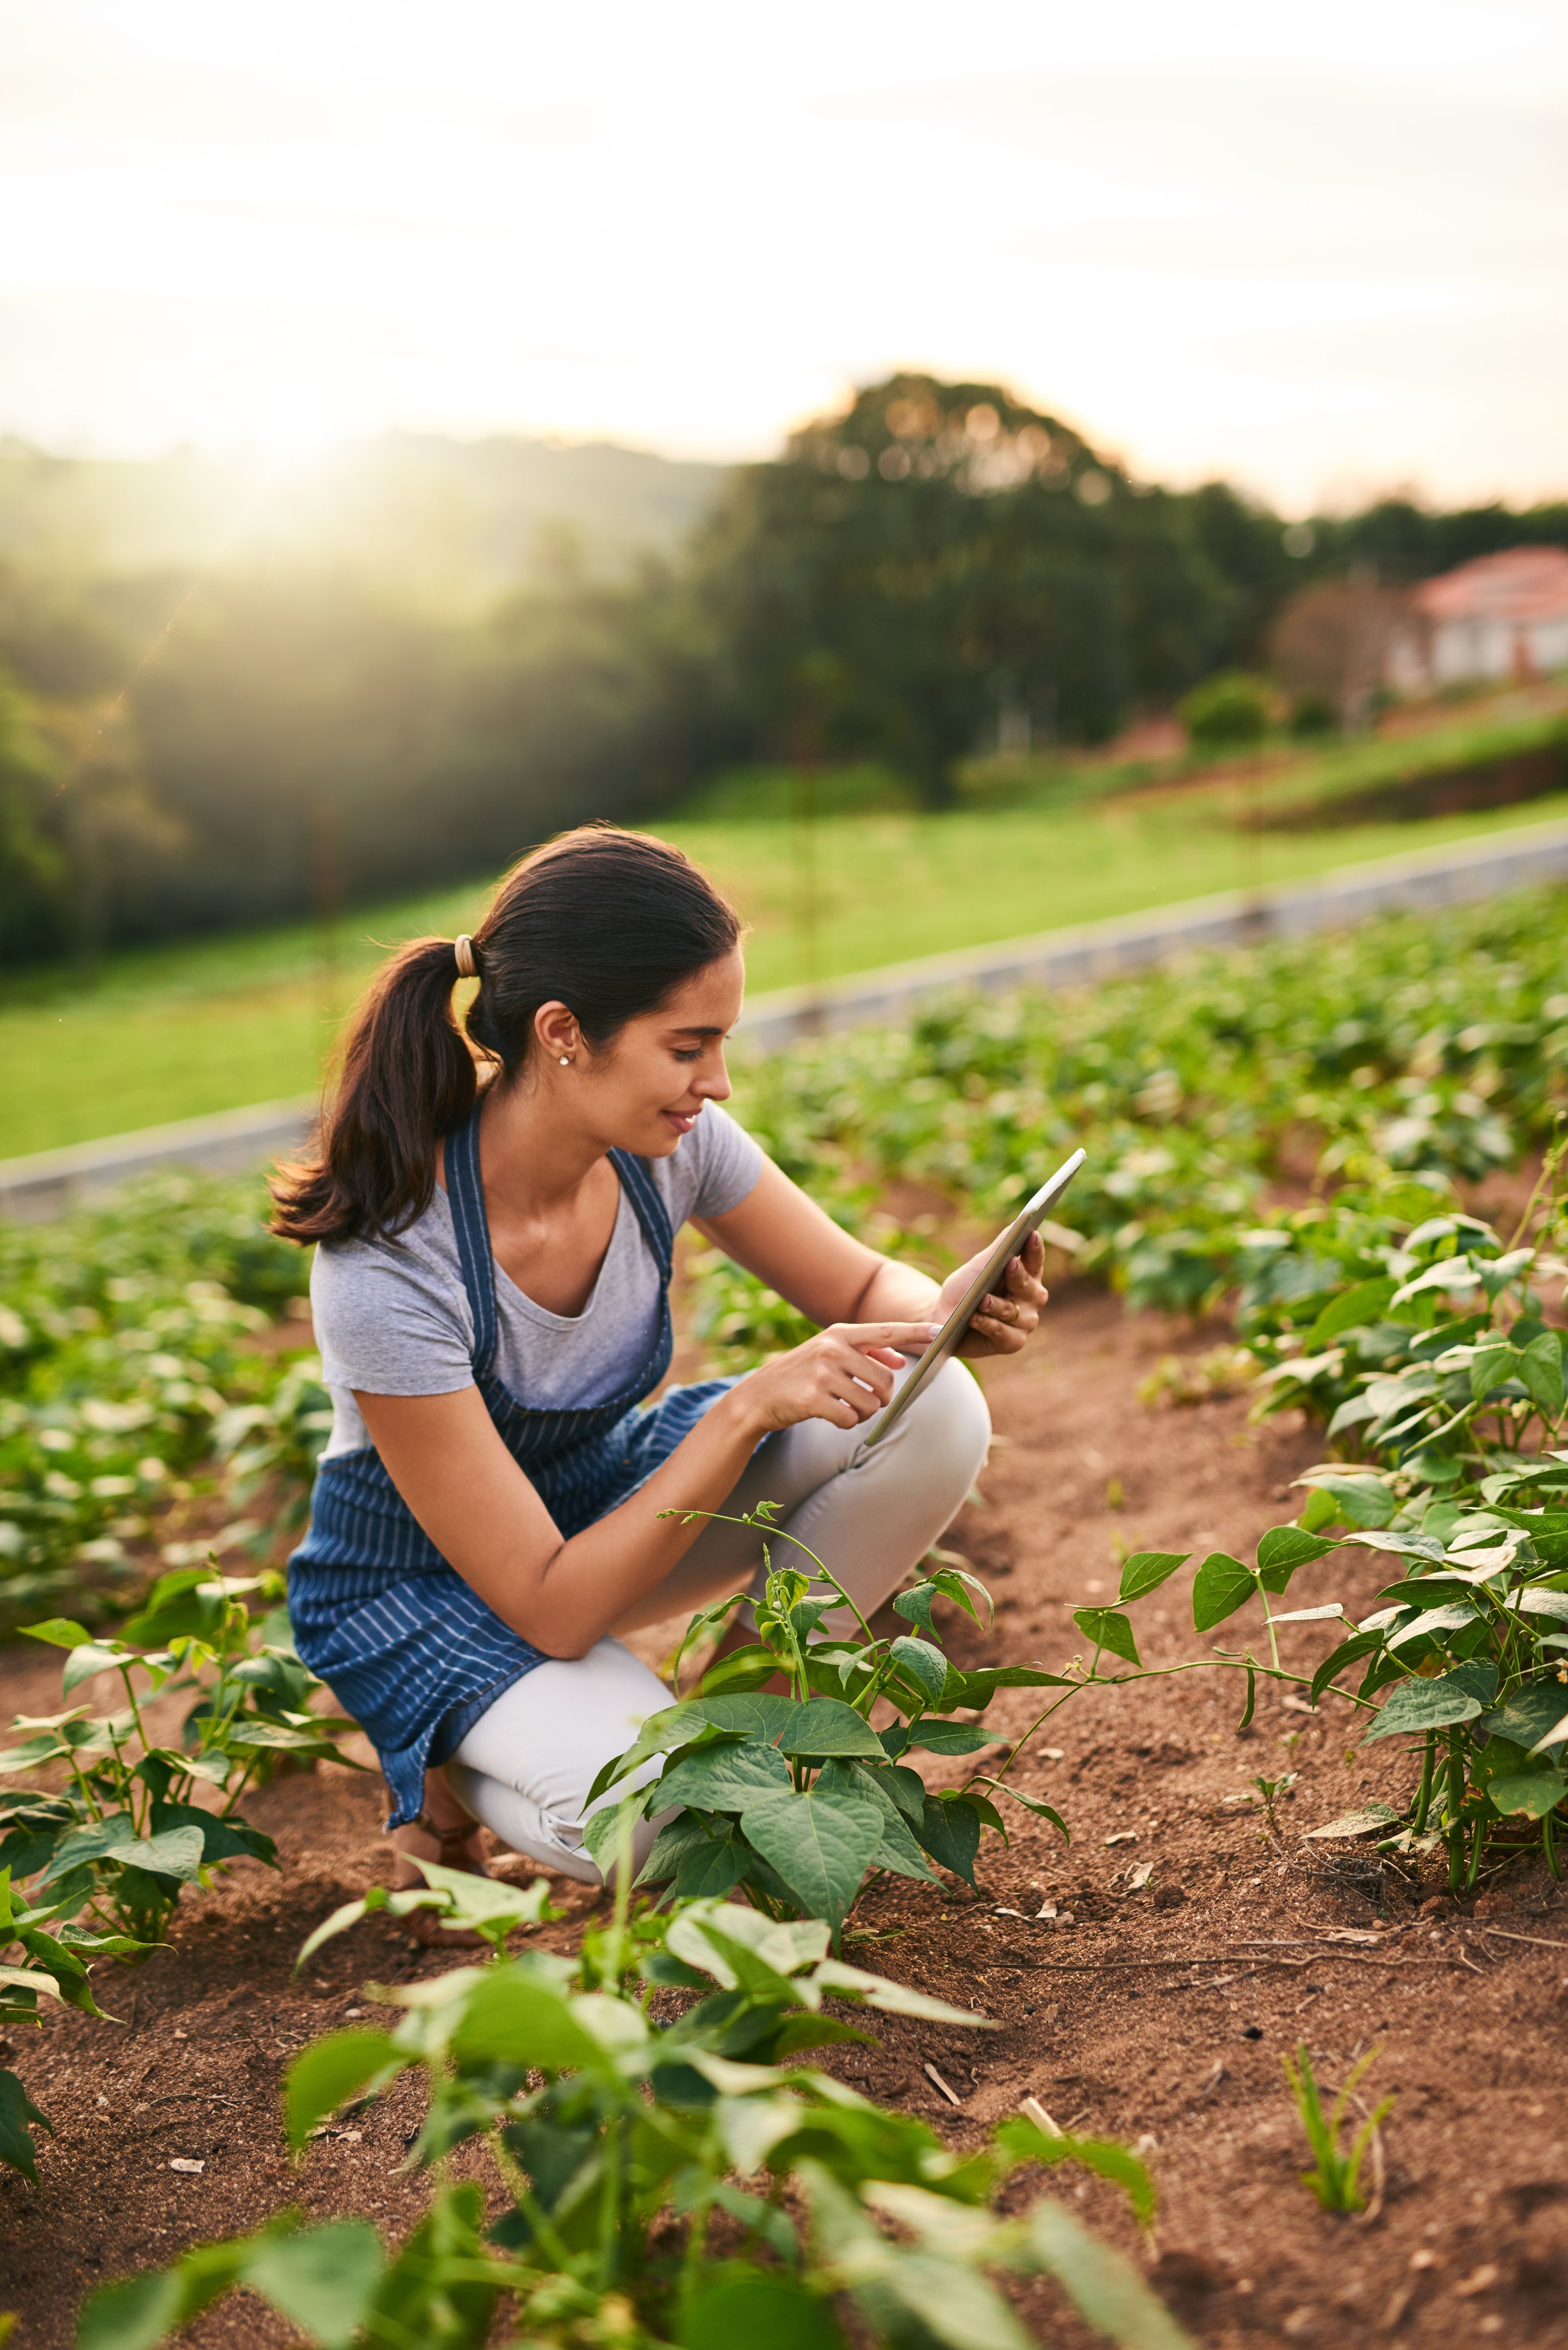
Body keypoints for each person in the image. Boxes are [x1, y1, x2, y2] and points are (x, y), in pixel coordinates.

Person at [272, 825, 1050, 1901]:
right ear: (563, 1033)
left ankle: (750, 1731)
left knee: (936, 1410)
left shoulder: (673, 1147)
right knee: (662, 1823)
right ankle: (450, 1761)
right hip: (423, 1587)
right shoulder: (389, 1264)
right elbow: (547, 1605)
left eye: (721, 1043)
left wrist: (947, 1312)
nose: (717, 1084)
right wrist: (739, 1415)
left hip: (590, 1505)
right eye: (687, 1047)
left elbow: (869, 1293)